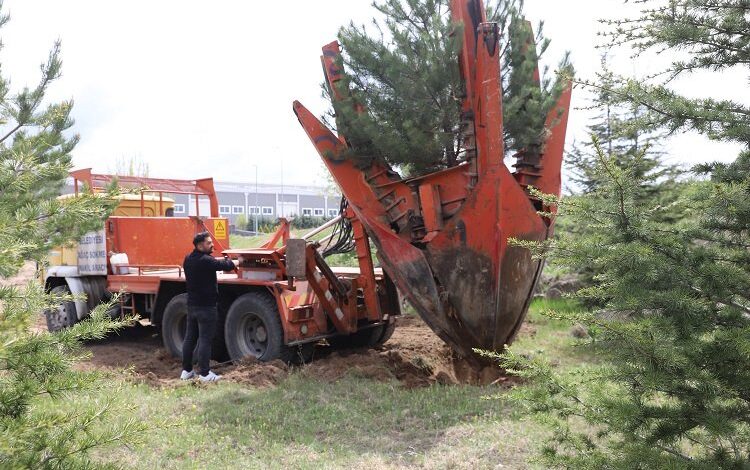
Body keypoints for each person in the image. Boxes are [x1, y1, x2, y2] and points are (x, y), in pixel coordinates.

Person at [179, 231, 235, 382]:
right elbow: (226, 265)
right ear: (199, 245)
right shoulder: (206, 260)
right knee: (205, 339)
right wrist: (238, 261)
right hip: (207, 307)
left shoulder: (188, 259)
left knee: (190, 338)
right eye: (209, 243)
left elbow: (212, 263)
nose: (212, 245)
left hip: (192, 305)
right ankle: (204, 374)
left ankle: (186, 371)